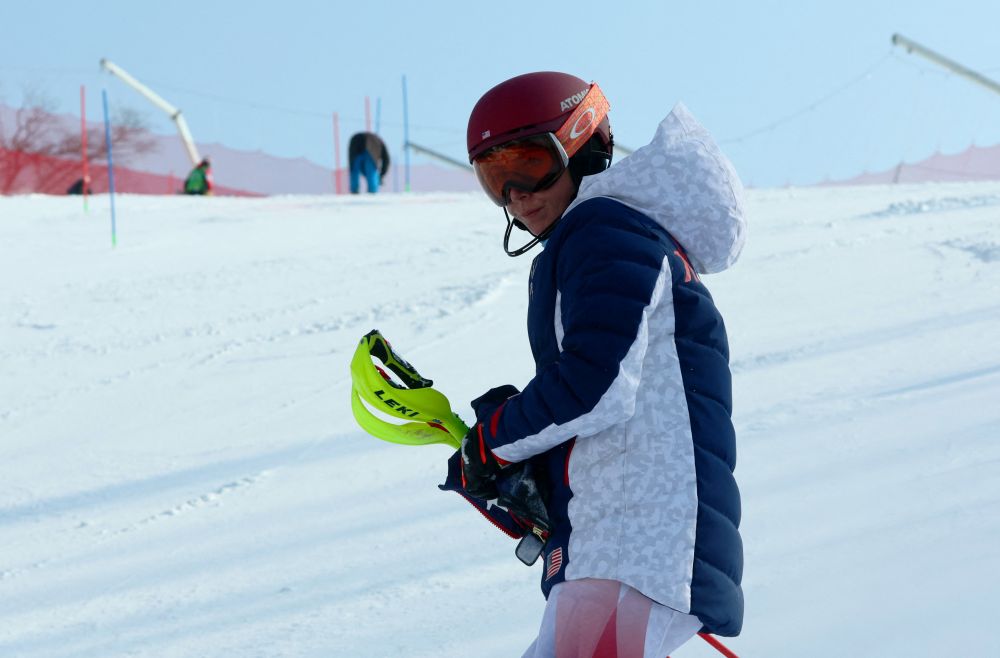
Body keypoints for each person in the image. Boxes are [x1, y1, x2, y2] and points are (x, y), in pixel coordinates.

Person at [440, 71, 747, 657]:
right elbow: (606, 401)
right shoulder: (607, 237)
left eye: (528, 164)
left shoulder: (604, 233)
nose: (516, 195)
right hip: (616, 536)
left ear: (584, 144)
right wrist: (526, 475)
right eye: (494, 179)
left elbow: (594, 385)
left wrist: (495, 441)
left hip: (637, 539)